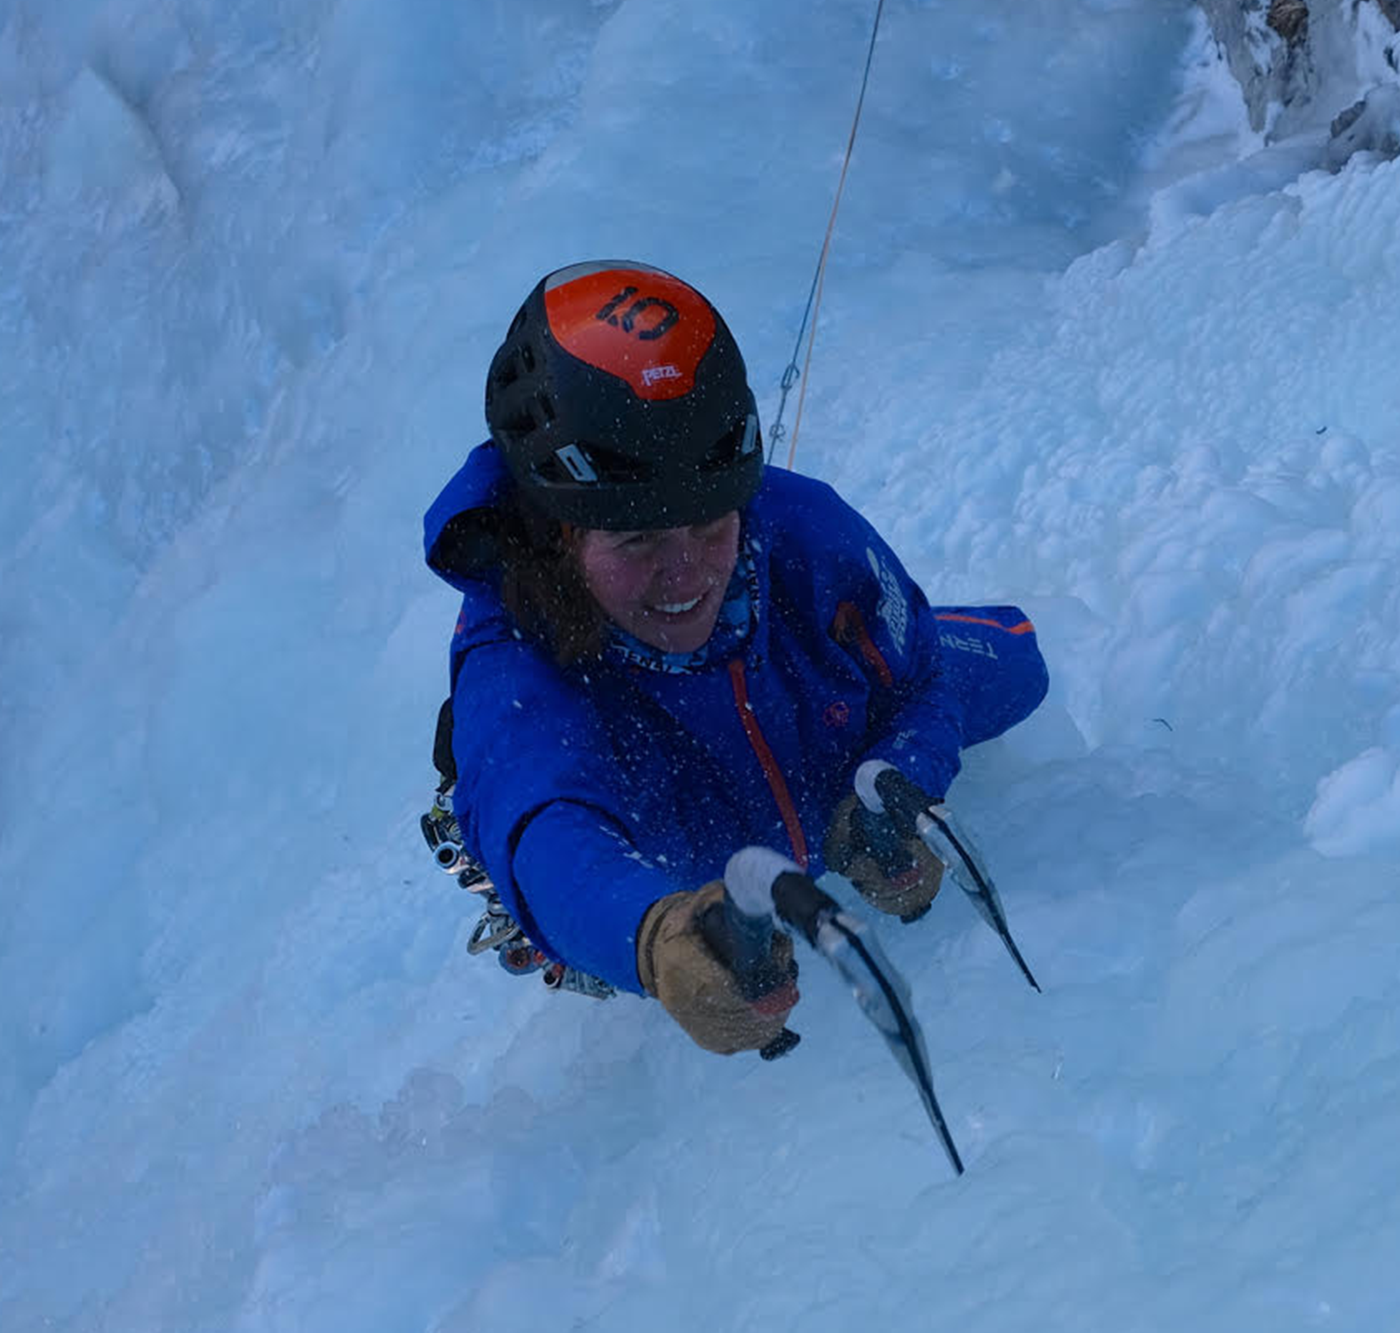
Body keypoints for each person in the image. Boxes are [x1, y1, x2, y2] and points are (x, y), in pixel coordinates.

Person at [422, 260, 1048, 1055]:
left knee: (1018, 665)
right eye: (638, 539)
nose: (687, 574)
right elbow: (547, 835)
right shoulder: (515, 661)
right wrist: (654, 938)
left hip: (806, 734)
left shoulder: (805, 532)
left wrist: (901, 777)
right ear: (557, 530)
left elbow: (926, 675)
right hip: (651, 833)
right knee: (537, 853)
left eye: (712, 523)